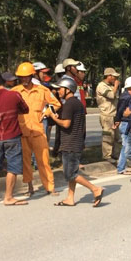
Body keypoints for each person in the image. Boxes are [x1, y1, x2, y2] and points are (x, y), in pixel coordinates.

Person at [44, 78, 104, 207]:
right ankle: (70, 198)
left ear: (67, 89)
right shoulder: (77, 104)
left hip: (70, 143)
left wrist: (54, 118)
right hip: (75, 142)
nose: (57, 91)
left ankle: (95, 189)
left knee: (70, 174)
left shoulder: (69, 104)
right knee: (72, 172)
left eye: (60, 89)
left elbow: (66, 124)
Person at [12, 62, 61, 197]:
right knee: (26, 162)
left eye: (26, 76)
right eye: (21, 77)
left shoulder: (42, 90)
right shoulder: (15, 92)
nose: (24, 79)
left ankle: (50, 187)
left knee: (43, 160)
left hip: (38, 131)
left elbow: (56, 104)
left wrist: (46, 113)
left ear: (32, 75)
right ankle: (30, 186)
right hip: (22, 132)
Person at [0, 72, 30, 206]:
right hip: (12, 136)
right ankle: (8, 197)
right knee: (12, 168)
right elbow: (25, 109)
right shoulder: (14, 95)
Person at [95, 68, 121, 162]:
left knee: (116, 136)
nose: (116, 79)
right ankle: (107, 155)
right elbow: (111, 95)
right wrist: (116, 86)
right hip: (106, 114)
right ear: (109, 76)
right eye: (114, 77)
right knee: (108, 136)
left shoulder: (110, 86)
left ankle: (116, 154)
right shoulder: (102, 86)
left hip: (114, 114)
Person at [114, 86, 131, 175]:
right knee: (126, 146)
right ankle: (121, 168)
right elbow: (121, 110)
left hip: (128, 123)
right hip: (126, 123)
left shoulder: (125, 97)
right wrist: (117, 120)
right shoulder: (127, 97)